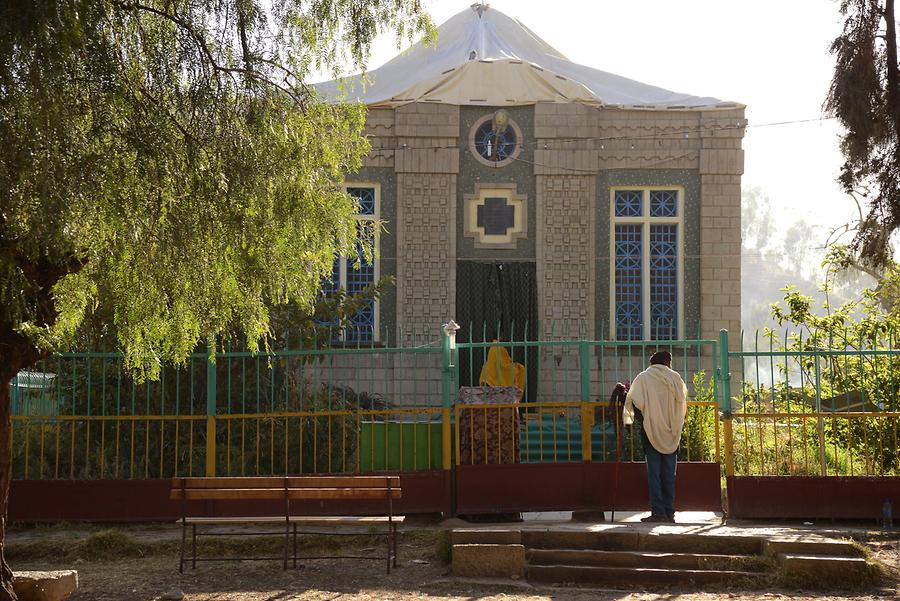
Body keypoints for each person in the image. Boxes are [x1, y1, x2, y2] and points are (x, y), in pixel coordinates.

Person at [622, 350, 688, 523]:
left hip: (651, 432)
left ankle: (658, 512)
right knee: (669, 474)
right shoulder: (676, 378)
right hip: (672, 433)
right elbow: (682, 404)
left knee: (654, 475)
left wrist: (632, 419)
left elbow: (634, 400)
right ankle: (669, 512)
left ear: (652, 362)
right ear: (667, 362)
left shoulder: (644, 378)